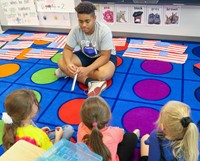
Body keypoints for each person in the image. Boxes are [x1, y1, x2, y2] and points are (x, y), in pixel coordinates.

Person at [55, 1, 117, 97]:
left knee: (103, 74)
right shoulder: (75, 30)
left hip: (103, 56)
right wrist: (69, 64)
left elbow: (105, 56)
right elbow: (67, 49)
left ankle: (68, 73)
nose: (83, 25)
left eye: (87, 21)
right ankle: (90, 82)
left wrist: (87, 69)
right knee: (62, 62)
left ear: (94, 18)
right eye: (80, 21)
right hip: (86, 54)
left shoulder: (104, 30)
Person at [2, 89, 74, 151]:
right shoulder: (38, 135)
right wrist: (58, 137)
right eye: (35, 103)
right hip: (45, 152)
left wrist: (41, 131)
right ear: (28, 113)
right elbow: (50, 152)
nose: (37, 104)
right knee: (68, 129)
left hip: (33, 144)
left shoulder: (11, 127)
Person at [77, 96, 140, 161]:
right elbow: (122, 133)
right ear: (108, 117)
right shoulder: (113, 133)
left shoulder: (81, 127)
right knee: (131, 137)